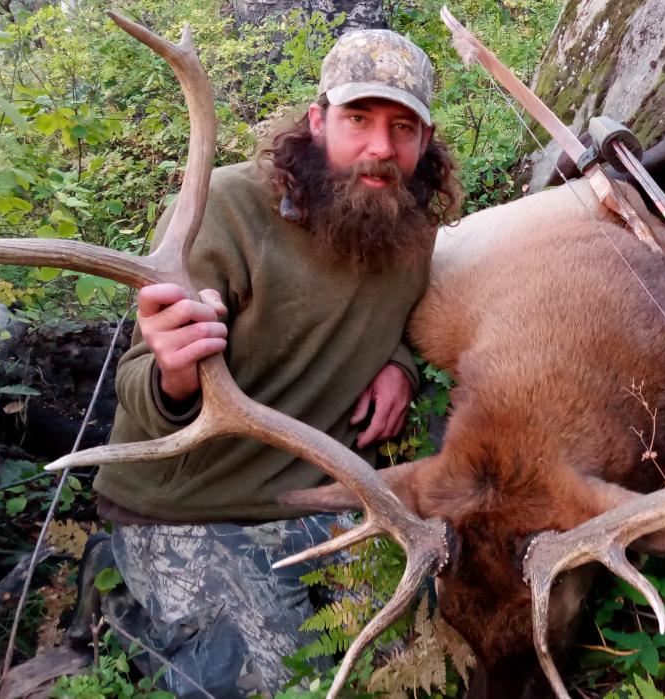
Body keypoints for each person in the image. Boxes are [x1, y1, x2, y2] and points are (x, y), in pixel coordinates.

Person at [88, 28, 462, 698]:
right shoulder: (224, 208)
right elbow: (139, 387)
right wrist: (175, 369)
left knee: (433, 655)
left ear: (425, 141)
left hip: (325, 500)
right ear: (317, 121)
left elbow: (393, 317)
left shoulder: (410, 228)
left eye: (403, 126)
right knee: (280, 681)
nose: (380, 147)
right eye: (358, 118)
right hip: (190, 507)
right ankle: (117, 599)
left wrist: (398, 362)